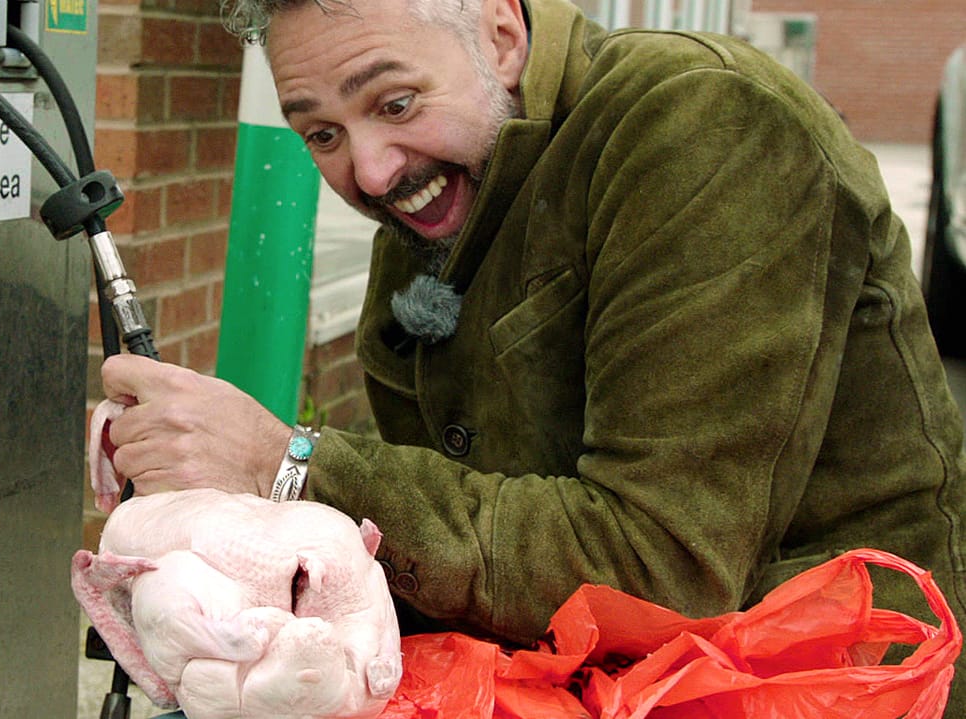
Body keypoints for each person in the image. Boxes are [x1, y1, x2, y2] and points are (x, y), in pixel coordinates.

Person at [102, 0, 966, 712]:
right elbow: (448, 524)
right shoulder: (437, 202)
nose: (367, 170)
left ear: (502, 35)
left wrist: (283, 464)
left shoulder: (704, 126)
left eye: (394, 103)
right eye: (321, 134)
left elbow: (664, 568)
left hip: (835, 675)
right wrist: (214, 516)